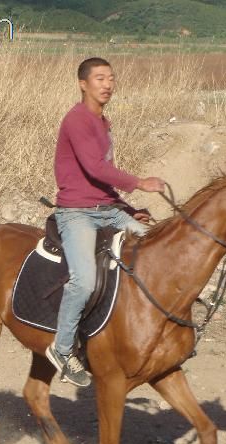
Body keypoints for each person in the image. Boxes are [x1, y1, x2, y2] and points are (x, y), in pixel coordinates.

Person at [45, 57, 166, 387]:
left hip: (107, 208)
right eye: (100, 78)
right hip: (77, 212)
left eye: (111, 78)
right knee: (83, 281)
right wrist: (140, 182)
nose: (108, 84)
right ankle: (64, 348)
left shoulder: (103, 122)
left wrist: (127, 208)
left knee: (159, 249)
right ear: (83, 84)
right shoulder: (77, 120)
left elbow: (103, 180)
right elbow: (95, 169)